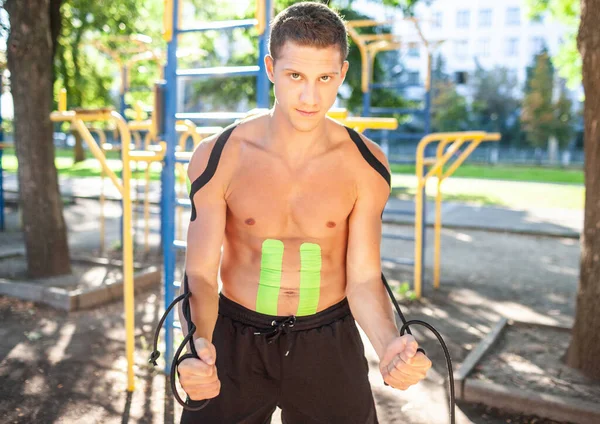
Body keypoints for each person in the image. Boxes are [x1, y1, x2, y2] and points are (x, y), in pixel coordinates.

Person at [177, 2, 431, 423]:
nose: (311, 97)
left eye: (325, 78)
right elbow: (201, 274)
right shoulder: (219, 156)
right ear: (271, 68)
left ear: (342, 75)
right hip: (236, 336)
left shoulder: (365, 164)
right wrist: (197, 346)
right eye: (295, 75)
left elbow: (364, 278)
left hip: (328, 340)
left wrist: (389, 344)